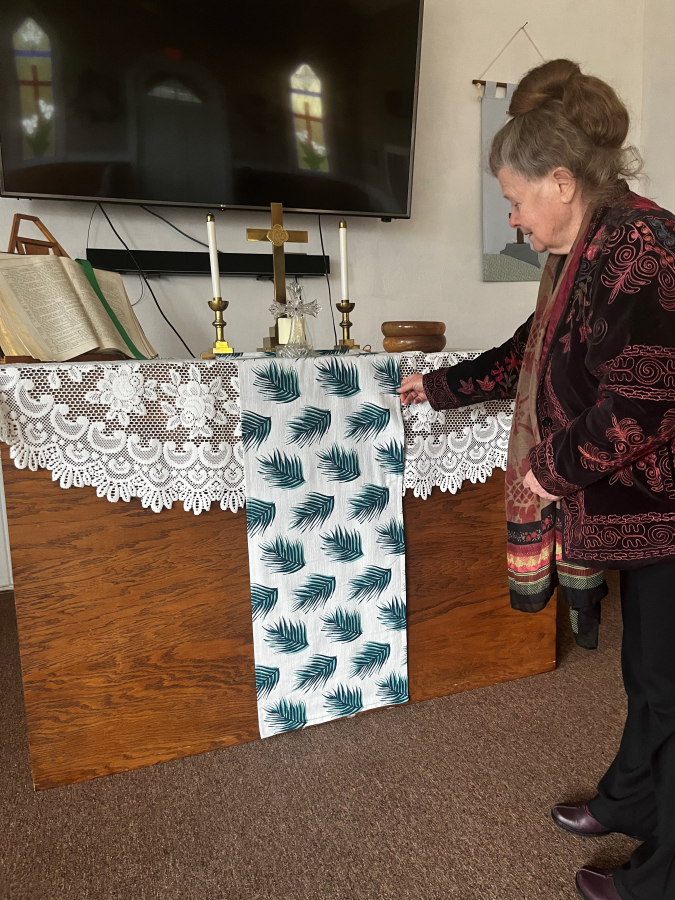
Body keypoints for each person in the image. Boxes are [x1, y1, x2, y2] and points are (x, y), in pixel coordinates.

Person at [399, 58, 675, 900]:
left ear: (561, 180)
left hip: (665, 504)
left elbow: (641, 404)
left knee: (670, 683)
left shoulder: (641, 249)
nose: (513, 221)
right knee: (649, 674)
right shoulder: (589, 245)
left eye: (515, 200)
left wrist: (548, 474)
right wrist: (439, 386)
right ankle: (632, 799)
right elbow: (532, 352)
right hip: (643, 510)